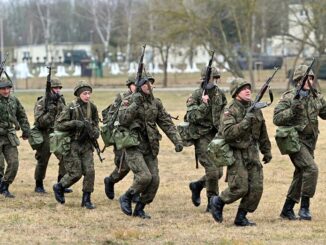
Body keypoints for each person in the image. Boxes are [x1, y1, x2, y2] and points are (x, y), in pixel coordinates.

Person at [118, 76, 183, 219]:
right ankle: (126, 197)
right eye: (146, 84)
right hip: (133, 145)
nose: (150, 86)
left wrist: (177, 140)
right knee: (144, 177)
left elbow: (166, 122)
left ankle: (140, 208)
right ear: (140, 86)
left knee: (154, 180)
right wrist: (135, 104)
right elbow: (122, 119)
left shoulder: (156, 103)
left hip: (150, 146)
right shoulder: (129, 101)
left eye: (152, 84)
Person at [210, 78, 272, 226]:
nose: (248, 90)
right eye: (243, 88)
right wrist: (245, 121)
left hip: (253, 152)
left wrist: (266, 150)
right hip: (236, 152)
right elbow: (228, 133)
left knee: (256, 187)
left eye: (249, 88)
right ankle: (218, 201)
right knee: (240, 187)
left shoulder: (254, 108)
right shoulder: (229, 110)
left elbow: (262, 130)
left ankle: (241, 217)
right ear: (236, 93)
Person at [273, 65, 326, 221]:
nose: (309, 81)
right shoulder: (289, 97)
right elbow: (277, 119)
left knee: (301, 173)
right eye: (305, 78)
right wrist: (293, 109)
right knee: (311, 169)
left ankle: (287, 209)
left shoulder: (316, 96)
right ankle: (304, 207)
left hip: (311, 142)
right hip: (294, 141)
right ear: (298, 80)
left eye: (311, 78)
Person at [52, 81, 100, 209]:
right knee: (75, 173)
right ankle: (60, 186)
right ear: (79, 94)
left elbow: (96, 123)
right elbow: (59, 125)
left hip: (87, 145)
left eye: (89, 93)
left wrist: (95, 131)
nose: (87, 96)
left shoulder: (92, 107)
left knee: (90, 171)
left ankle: (87, 199)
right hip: (72, 144)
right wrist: (74, 123)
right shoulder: (70, 107)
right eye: (85, 93)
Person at [103, 74, 150, 201]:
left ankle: (135, 193)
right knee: (123, 166)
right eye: (134, 85)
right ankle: (111, 180)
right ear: (129, 86)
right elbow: (111, 116)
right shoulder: (123, 98)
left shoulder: (145, 98)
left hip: (139, 137)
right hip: (123, 137)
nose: (137, 87)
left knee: (139, 166)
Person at [186, 67, 227, 212]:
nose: (214, 81)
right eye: (212, 78)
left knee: (219, 172)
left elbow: (224, 112)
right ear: (204, 79)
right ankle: (212, 201)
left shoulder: (220, 94)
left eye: (216, 78)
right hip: (201, 135)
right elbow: (190, 116)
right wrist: (203, 105)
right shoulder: (196, 95)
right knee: (212, 171)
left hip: (217, 136)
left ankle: (197, 185)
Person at [32, 78, 72, 193]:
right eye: (55, 88)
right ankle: (38, 185)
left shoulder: (61, 100)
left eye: (59, 88)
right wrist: (51, 110)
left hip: (58, 134)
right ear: (50, 89)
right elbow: (40, 122)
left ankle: (61, 184)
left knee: (64, 158)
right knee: (42, 160)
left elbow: (65, 115)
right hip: (45, 134)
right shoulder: (42, 102)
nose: (58, 90)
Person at [0, 78, 30, 198]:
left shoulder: (14, 100)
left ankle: (4, 186)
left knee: (14, 163)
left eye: (8, 88)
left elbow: (21, 115)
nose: (6, 91)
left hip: (9, 136)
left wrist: (26, 130)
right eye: (3, 89)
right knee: (0, 165)